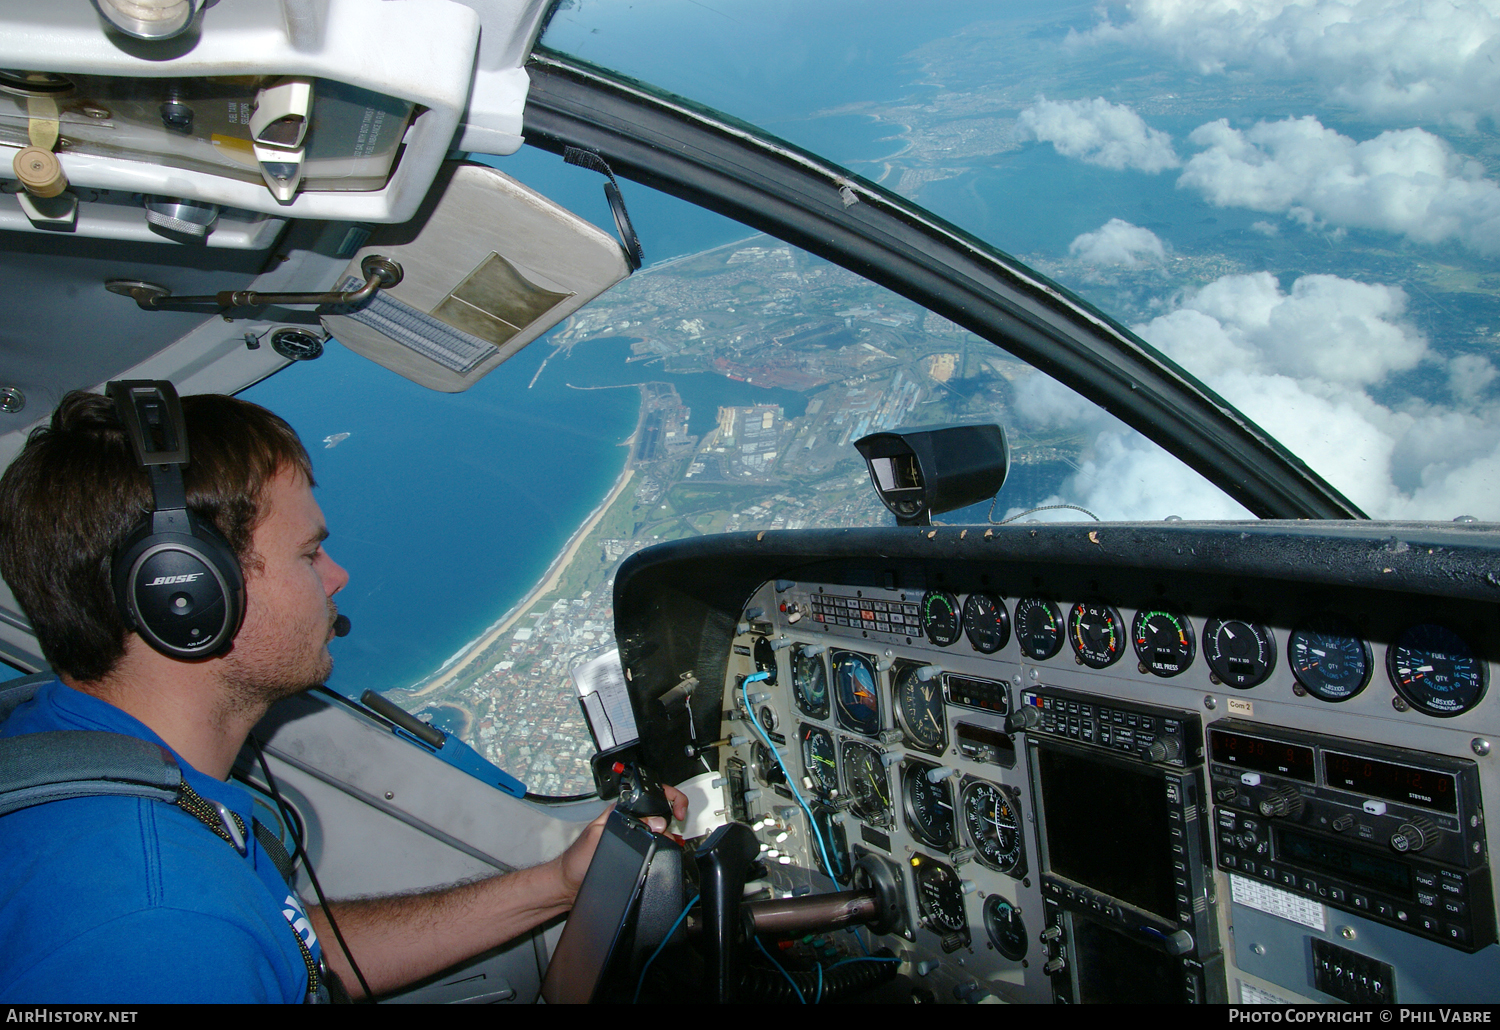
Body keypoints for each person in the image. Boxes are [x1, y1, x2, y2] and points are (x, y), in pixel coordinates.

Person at [0, 388, 686, 1002]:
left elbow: (283, 946)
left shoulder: (65, 750)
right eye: (307, 554)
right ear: (187, 596)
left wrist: (555, 884)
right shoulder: (159, 924)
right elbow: (208, 942)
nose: (338, 576)